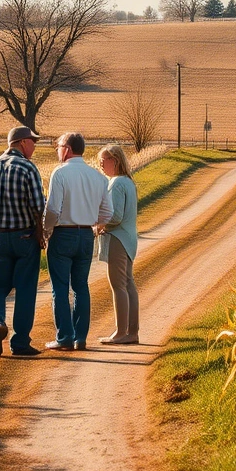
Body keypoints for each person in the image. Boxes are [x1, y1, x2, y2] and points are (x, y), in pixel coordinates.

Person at [0, 126, 47, 357]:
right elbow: (38, 206)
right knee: (25, 289)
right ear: (22, 142)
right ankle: (20, 343)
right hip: (24, 235)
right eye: (33, 142)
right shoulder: (27, 168)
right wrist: (40, 232)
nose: (34, 146)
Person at [41, 132, 112, 351]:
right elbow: (108, 212)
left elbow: (53, 208)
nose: (57, 150)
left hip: (63, 233)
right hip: (86, 235)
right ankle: (80, 337)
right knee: (81, 286)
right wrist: (92, 220)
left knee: (60, 288)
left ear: (68, 149)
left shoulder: (60, 173)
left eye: (59, 146)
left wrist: (46, 229)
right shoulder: (98, 177)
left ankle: (64, 337)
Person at [93, 144, 140, 344]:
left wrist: (99, 224)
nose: (101, 165)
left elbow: (116, 216)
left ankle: (121, 333)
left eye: (105, 160)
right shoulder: (128, 182)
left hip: (118, 239)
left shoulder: (116, 184)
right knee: (128, 283)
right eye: (100, 161)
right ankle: (132, 332)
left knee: (118, 285)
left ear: (116, 161)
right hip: (128, 238)